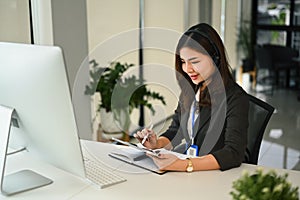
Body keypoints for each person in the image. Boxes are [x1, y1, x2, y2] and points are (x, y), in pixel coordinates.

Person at [134, 23, 249, 172]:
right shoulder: (191, 90)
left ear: (215, 58)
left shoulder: (236, 98)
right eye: (183, 62)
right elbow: (176, 130)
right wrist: (156, 144)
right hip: (193, 172)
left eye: (194, 61)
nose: (187, 69)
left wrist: (183, 165)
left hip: (217, 176)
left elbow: (233, 153)